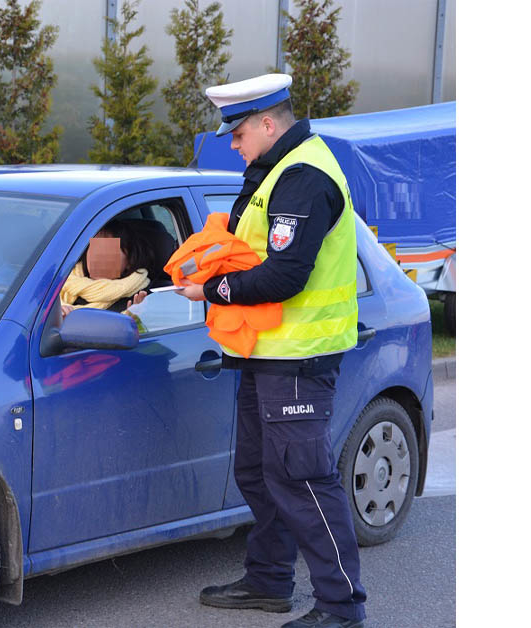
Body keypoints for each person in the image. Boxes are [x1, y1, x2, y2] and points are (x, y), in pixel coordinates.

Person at [178, 74, 367, 628]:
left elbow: (284, 274)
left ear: (267, 123)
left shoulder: (305, 176)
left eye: (237, 134)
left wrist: (209, 290)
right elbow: (245, 243)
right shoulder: (274, 169)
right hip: (267, 350)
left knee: (304, 479)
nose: (232, 145)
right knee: (259, 471)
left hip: (299, 356)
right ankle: (268, 580)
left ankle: (341, 608)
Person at [59, 219, 175, 316]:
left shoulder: (142, 300)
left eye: (108, 250)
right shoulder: (59, 285)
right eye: (95, 248)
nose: (99, 257)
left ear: (130, 261)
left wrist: (136, 317)